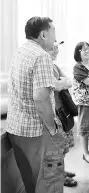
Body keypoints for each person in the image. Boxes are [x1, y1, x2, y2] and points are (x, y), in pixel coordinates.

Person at [6, 16, 65, 193]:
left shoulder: (21, 51)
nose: (55, 37)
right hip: (36, 132)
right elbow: (41, 98)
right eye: (53, 31)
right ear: (43, 35)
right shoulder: (41, 56)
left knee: (30, 180)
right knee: (50, 180)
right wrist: (53, 129)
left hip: (16, 129)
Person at [48, 41, 77, 187]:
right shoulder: (44, 67)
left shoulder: (54, 66)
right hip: (53, 115)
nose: (56, 51)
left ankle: (63, 171)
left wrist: (62, 83)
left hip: (62, 113)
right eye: (53, 48)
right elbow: (56, 86)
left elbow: (69, 82)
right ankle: (60, 177)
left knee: (64, 148)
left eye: (57, 48)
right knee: (58, 150)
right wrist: (61, 83)